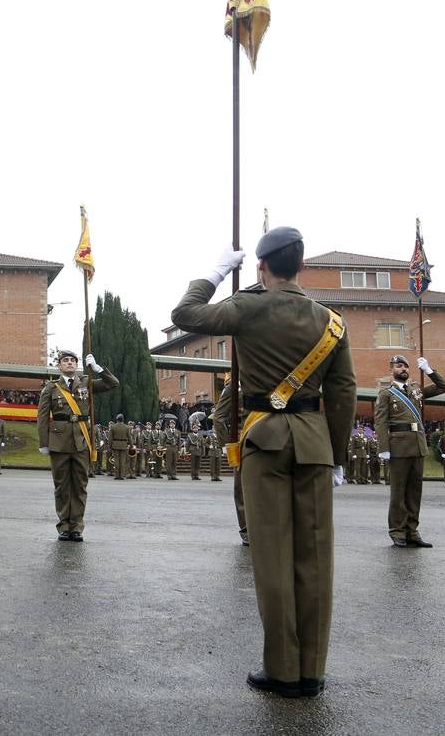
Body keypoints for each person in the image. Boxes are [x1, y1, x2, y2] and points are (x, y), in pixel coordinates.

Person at [171, 226, 357, 699]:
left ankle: (283, 669)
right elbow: (342, 393)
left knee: (272, 556)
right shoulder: (331, 322)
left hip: (266, 439)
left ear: (261, 267)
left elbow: (184, 314)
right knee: (315, 558)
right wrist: (336, 456)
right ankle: (312, 669)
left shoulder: (248, 307)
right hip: (315, 443)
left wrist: (215, 273)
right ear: (303, 266)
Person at [36, 348, 118, 541]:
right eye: (65, 360)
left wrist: (98, 369)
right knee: (62, 486)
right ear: (59, 365)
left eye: (73, 360)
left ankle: (77, 527)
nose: (70, 363)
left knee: (80, 486)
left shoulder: (86, 383)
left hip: (81, 441)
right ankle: (64, 526)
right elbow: (42, 417)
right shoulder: (51, 388)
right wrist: (44, 442)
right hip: (58, 443)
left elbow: (113, 384)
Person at [374, 355, 445, 547]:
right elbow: (381, 421)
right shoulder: (386, 393)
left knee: (415, 492)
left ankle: (412, 531)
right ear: (391, 370)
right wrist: (384, 448)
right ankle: (397, 531)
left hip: (417, 445)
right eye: (399, 366)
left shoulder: (416, 391)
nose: (403, 369)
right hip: (398, 447)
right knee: (398, 493)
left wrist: (429, 370)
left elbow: (443, 387)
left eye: (406, 366)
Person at [213, 384, 248, 544]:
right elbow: (218, 418)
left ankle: (247, 530)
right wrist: (226, 445)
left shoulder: (235, 386)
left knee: (242, 487)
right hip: (267, 436)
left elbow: (219, 418)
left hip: (243, 439)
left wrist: (226, 444)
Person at [109, 415, 131, 480]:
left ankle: (117, 475)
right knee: (122, 461)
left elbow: (110, 438)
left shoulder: (113, 427)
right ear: (123, 419)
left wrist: (110, 446)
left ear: (117, 419)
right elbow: (129, 437)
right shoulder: (126, 427)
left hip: (115, 445)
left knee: (116, 461)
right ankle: (121, 475)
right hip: (124, 445)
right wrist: (131, 445)